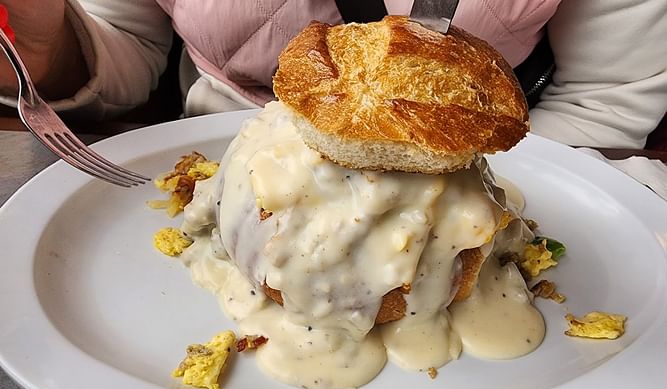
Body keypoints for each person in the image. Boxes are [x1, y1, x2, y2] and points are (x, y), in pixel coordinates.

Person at [0, 0, 665, 148]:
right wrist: (41, 45)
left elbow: (604, 101)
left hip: (486, 168)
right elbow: (124, 46)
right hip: (220, 153)